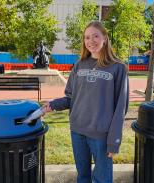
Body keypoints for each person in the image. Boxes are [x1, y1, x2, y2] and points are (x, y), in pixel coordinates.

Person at [42, 21, 129, 183]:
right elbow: (70, 98)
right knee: (82, 177)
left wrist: (114, 140)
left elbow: (120, 108)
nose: (91, 41)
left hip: (101, 135)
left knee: (101, 179)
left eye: (96, 35)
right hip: (77, 131)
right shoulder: (79, 65)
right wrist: (52, 105)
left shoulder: (118, 68)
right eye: (87, 37)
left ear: (105, 38)